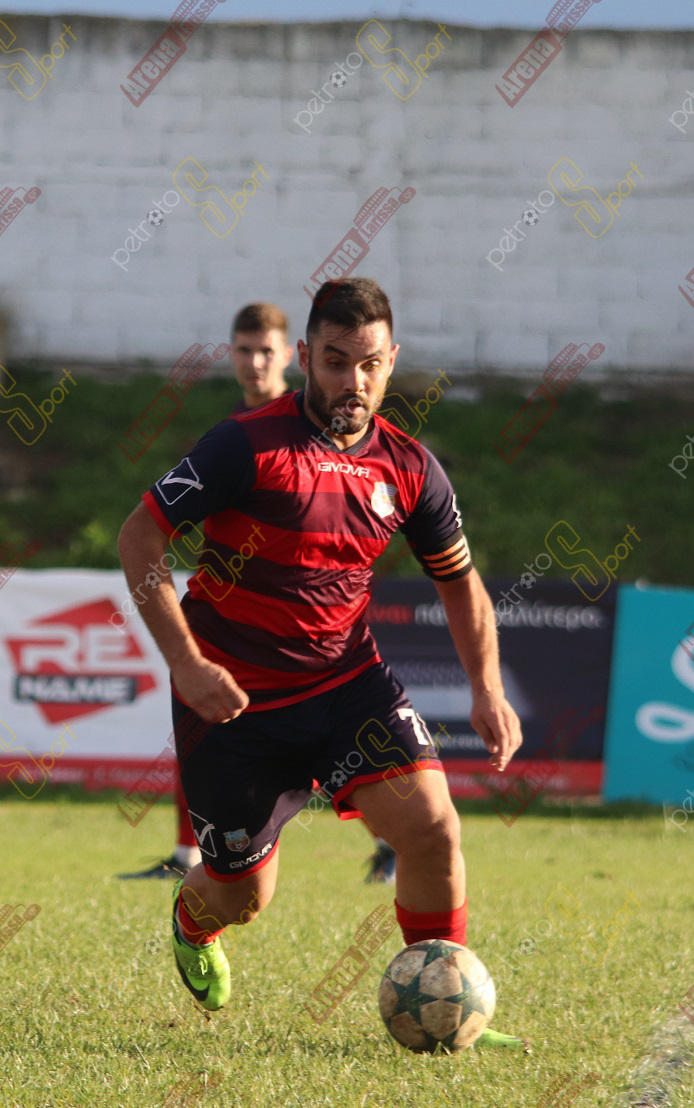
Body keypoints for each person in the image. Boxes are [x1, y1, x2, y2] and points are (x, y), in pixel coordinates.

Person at [116, 278, 525, 1046]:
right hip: (233, 701)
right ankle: (193, 921)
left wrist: (487, 689)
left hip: (346, 684)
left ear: (391, 361)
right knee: (242, 896)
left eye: (369, 364)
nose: (352, 381)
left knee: (433, 829)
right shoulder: (245, 445)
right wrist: (187, 665)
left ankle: (447, 1002)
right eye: (336, 362)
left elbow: (460, 581)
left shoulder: (409, 467)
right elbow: (139, 537)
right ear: (305, 358)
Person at [117, 301, 397, 885]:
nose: (254, 363)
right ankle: (189, 855)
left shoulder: (313, 423)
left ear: (292, 357)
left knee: (325, 745)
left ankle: (389, 841)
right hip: (229, 618)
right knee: (202, 728)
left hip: (305, 629)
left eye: (266, 351)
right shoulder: (234, 433)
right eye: (244, 351)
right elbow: (159, 524)